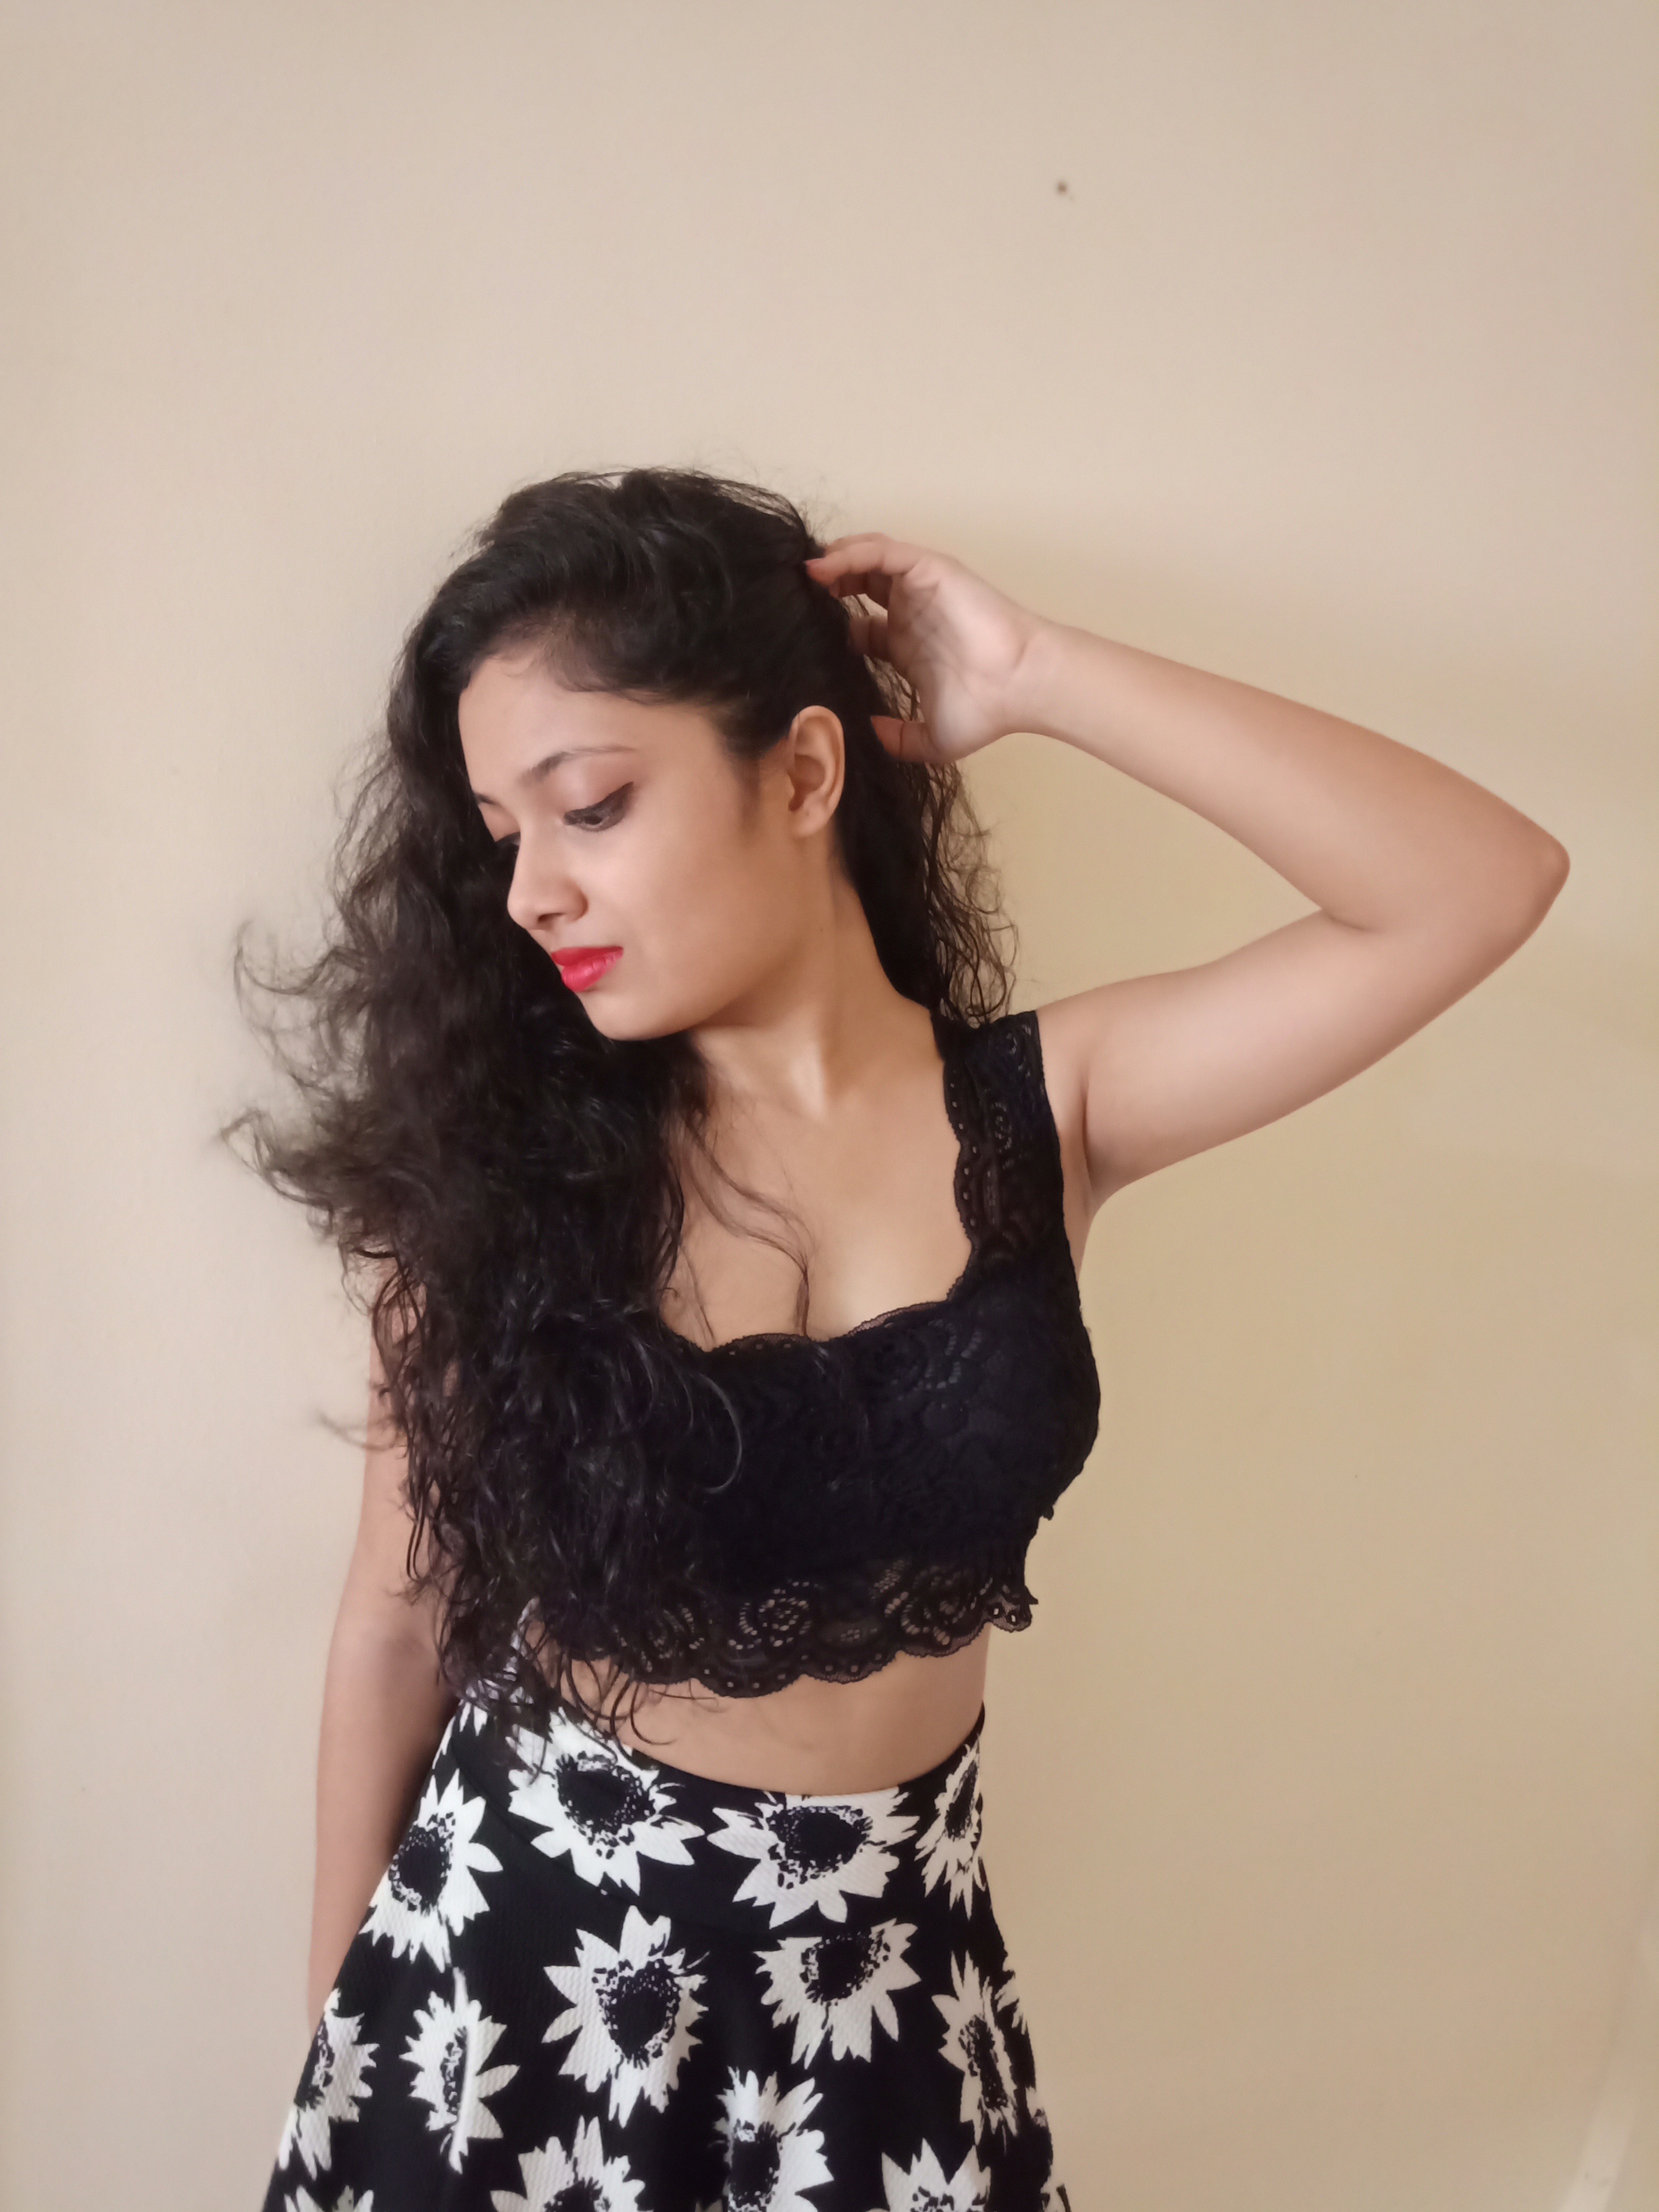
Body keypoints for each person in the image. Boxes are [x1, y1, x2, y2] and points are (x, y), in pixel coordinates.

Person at [242, 466, 1567, 2212]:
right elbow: (397, 1626)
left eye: (592, 808)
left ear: (805, 773)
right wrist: (342, 2044)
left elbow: (1477, 884)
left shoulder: (1044, 1112)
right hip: (512, 1983)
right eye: (504, 840)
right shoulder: (495, 1183)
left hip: (889, 1992)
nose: (531, 894)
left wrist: (1031, 674)